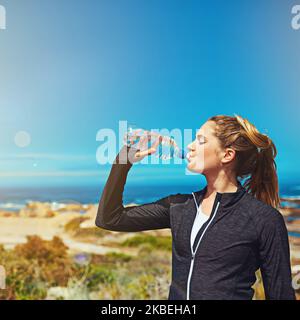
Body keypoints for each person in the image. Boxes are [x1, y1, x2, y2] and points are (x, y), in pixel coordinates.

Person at [95, 114, 296, 300]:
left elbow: (280, 294)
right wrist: (123, 161)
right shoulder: (179, 206)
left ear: (227, 155)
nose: (190, 146)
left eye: (201, 140)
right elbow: (109, 219)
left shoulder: (265, 219)